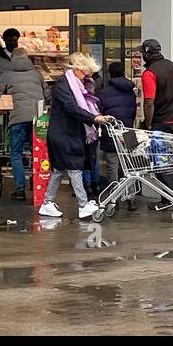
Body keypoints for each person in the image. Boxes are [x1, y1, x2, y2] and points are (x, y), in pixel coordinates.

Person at [39, 52, 110, 220]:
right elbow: (72, 107)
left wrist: (95, 116)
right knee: (74, 168)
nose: (88, 78)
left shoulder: (76, 85)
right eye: (87, 74)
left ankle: (47, 203)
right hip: (63, 134)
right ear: (77, 70)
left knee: (59, 170)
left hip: (67, 133)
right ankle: (83, 204)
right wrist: (93, 117)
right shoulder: (64, 85)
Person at [140, 38, 173, 207]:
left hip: (161, 122)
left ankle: (168, 198)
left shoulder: (149, 74)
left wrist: (148, 123)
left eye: (143, 53)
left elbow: (149, 102)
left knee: (162, 162)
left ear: (147, 53)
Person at [0, 47, 47, 200]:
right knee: (37, 152)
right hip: (37, 118)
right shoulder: (36, 73)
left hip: (17, 118)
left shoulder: (6, 74)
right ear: (27, 57)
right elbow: (47, 93)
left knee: (16, 153)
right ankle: (40, 187)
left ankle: (20, 189)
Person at [97, 62, 138, 202]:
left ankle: (113, 198)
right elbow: (133, 111)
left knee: (112, 166)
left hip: (112, 133)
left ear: (110, 74)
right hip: (128, 132)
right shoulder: (131, 92)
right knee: (128, 166)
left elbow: (100, 113)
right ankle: (131, 197)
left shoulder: (104, 93)